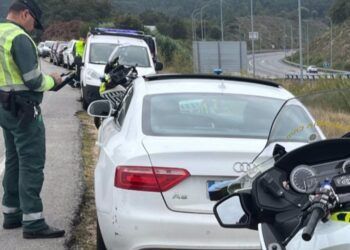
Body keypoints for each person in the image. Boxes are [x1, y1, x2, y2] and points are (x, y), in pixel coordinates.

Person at [0, 0, 65, 239]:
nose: (33, 28)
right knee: (31, 163)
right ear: (25, 14)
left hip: (4, 107)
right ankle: (34, 222)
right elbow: (34, 81)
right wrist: (54, 81)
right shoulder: (19, 38)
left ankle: (11, 214)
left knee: (14, 160)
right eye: (33, 22)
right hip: (24, 109)